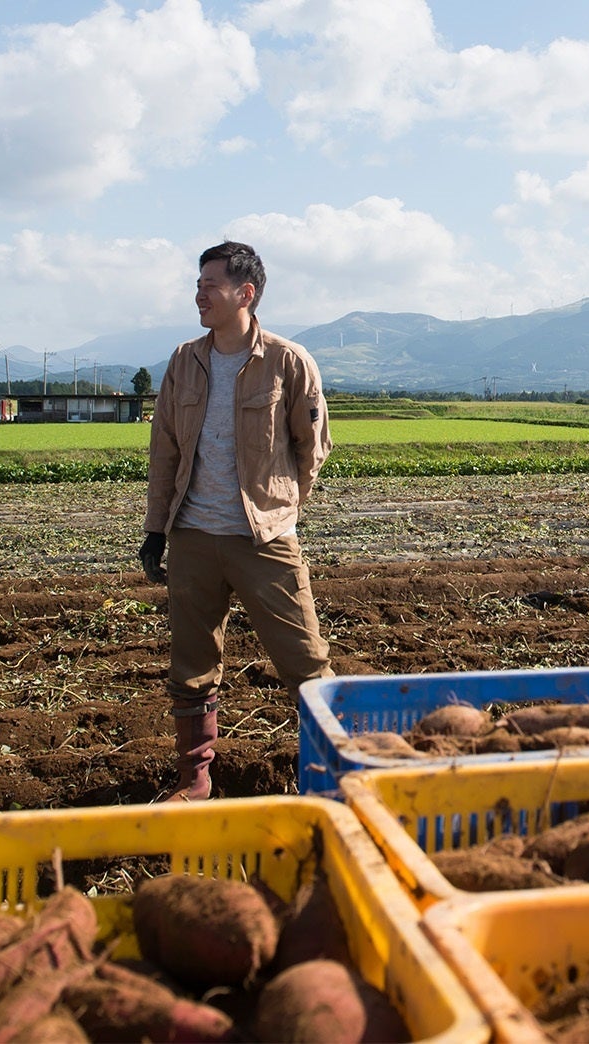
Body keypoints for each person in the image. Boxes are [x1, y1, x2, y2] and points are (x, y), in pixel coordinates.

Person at [138, 241, 333, 801]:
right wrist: (157, 529)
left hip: (263, 539)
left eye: (210, 285)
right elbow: (166, 450)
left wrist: (282, 509)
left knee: (306, 665)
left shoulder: (288, 361)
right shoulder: (184, 360)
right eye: (198, 284)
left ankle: (328, 779)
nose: (199, 294)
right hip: (193, 537)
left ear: (245, 294)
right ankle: (194, 781)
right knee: (191, 667)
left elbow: (311, 448)